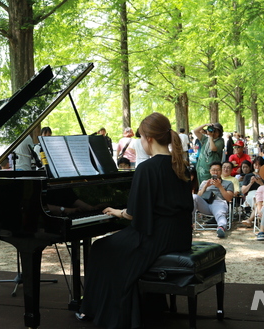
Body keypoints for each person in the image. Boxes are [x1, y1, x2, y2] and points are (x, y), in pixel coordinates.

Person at [76, 112, 192, 328]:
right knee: (114, 246)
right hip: (180, 235)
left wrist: (117, 211)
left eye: (140, 138)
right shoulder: (181, 165)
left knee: (101, 247)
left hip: (156, 237)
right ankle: (148, 304)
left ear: (148, 138)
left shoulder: (147, 168)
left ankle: (96, 310)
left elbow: (133, 214)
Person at [197, 162, 234, 238]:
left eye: (218, 170)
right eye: (213, 170)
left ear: (221, 171)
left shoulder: (228, 183)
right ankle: (187, 222)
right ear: (210, 171)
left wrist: (220, 186)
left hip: (218, 203)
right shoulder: (204, 182)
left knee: (220, 213)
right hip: (205, 205)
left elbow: (229, 198)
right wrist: (205, 186)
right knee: (193, 197)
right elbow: (198, 197)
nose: (215, 172)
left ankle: (221, 227)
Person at [240, 156, 264, 226]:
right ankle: (258, 217)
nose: (257, 167)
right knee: (255, 198)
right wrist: (251, 183)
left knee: (258, 200)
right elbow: (243, 191)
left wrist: (260, 183)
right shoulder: (248, 176)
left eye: (259, 165)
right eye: (255, 164)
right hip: (251, 194)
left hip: (263, 194)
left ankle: (250, 219)